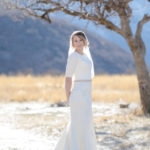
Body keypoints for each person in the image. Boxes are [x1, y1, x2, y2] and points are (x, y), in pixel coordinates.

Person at [54, 30, 97, 150]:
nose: (78, 43)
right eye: (75, 41)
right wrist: (68, 96)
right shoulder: (73, 56)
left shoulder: (85, 56)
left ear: (85, 41)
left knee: (86, 122)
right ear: (72, 43)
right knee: (78, 123)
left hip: (86, 93)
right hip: (78, 93)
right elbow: (68, 78)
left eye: (80, 40)